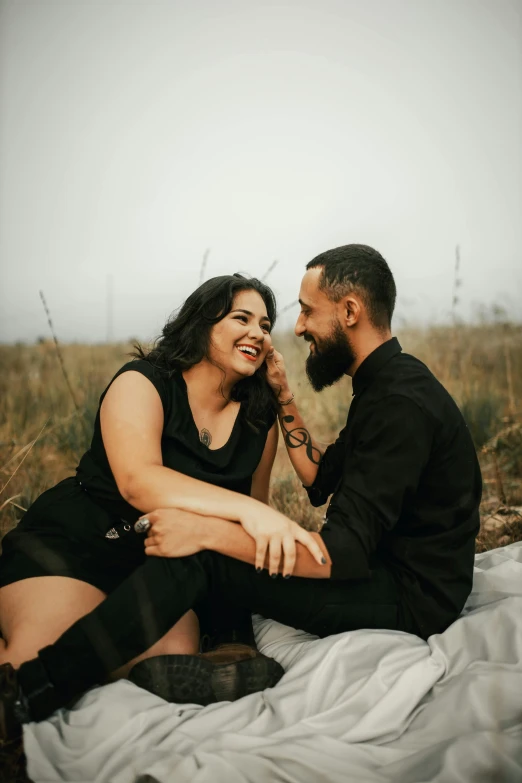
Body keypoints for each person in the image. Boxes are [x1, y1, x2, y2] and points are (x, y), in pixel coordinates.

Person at [1, 245, 482, 779]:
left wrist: (209, 531)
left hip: (404, 595)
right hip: (85, 541)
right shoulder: (383, 386)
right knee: (203, 559)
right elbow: (321, 481)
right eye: (254, 318)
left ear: (349, 312)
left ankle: (33, 690)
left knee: (205, 557)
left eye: (303, 312)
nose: (294, 330)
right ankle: (58, 680)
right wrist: (283, 397)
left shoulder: (400, 402)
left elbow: (343, 552)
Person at [0, 273, 326, 781]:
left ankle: (105, 661)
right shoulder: (143, 382)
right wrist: (251, 513)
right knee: (34, 654)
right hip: (81, 543)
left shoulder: (257, 418)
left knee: (175, 651)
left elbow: (252, 509)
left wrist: (251, 525)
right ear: (202, 323)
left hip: (162, 565)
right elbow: (138, 482)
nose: (259, 333)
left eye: (266, 324)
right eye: (241, 318)